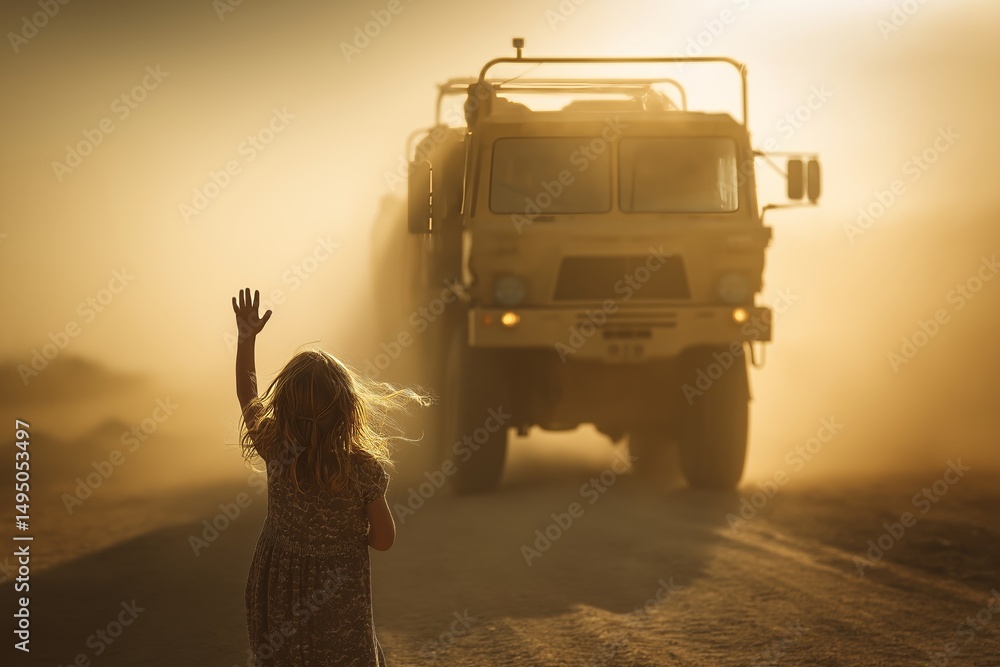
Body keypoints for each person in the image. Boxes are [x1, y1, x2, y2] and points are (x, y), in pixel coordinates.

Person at [231, 288, 426, 666]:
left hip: (278, 585)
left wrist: (246, 338)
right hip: (339, 593)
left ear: (284, 405)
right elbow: (384, 540)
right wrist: (346, 540)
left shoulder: (276, 447)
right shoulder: (362, 468)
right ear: (348, 409)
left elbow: (246, 394)